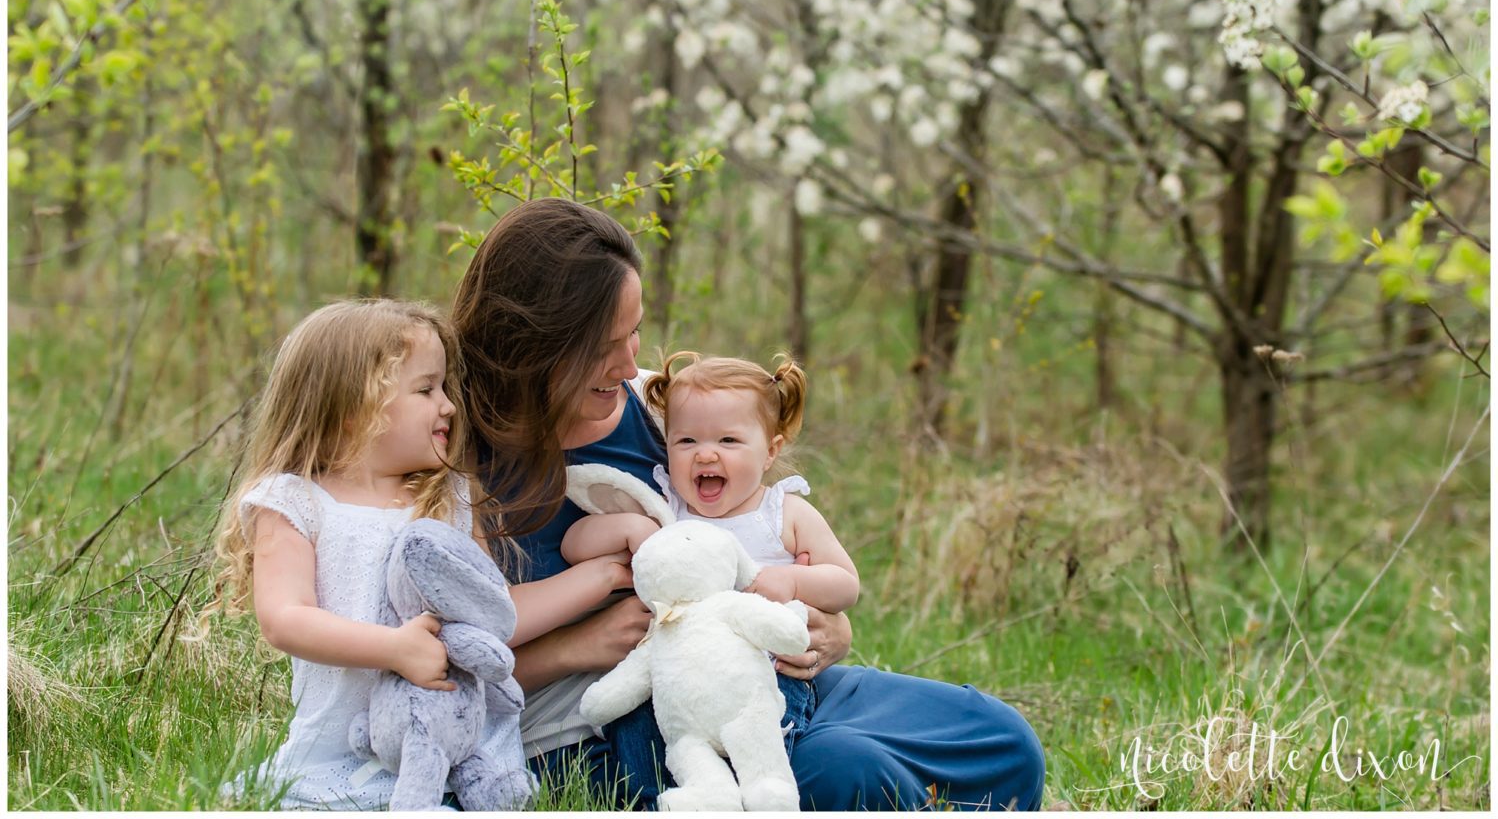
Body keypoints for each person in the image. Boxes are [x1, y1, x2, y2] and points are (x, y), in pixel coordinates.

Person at [451, 200, 1047, 811]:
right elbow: (431, 672)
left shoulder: (659, 408)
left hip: (760, 677)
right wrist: (581, 646)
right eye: (606, 345)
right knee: (853, 773)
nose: (631, 363)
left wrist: (824, 631)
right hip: (607, 728)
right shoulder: (456, 466)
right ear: (537, 344)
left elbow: (768, 537)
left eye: (633, 332)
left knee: (1000, 740)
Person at [213, 299, 522, 811]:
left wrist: (599, 577)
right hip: (338, 750)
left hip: (451, 741)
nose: (448, 405)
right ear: (354, 409)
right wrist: (394, 648)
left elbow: (492, 608)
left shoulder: (449, 499)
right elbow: (285, 619)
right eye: (426, 389)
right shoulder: (295, 502)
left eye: (444, 387)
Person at [561, 350, 860, 767]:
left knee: (756, 748)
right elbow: (573, 545)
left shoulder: (782, 512)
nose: (705, 454)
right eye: (687, 441)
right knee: (636, 731)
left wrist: (793, 580)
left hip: (765, 671)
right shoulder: (666, 508)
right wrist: (629, 529)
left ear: (770, 451)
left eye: (728, 440)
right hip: (674, 676)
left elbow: (846, 583)